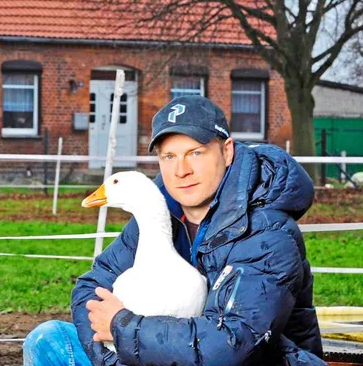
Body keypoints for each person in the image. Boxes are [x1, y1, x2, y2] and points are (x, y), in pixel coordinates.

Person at [23, 95, 325, 366]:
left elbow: (229, 346)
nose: (181, 171)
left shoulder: (267, 233)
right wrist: (114, 357)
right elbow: (92, 287)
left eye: (195, 153)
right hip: (151, 352)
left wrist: (120, 327)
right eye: (169, 156)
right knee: (49, 340)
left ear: (227, 151)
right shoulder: (157, 212)